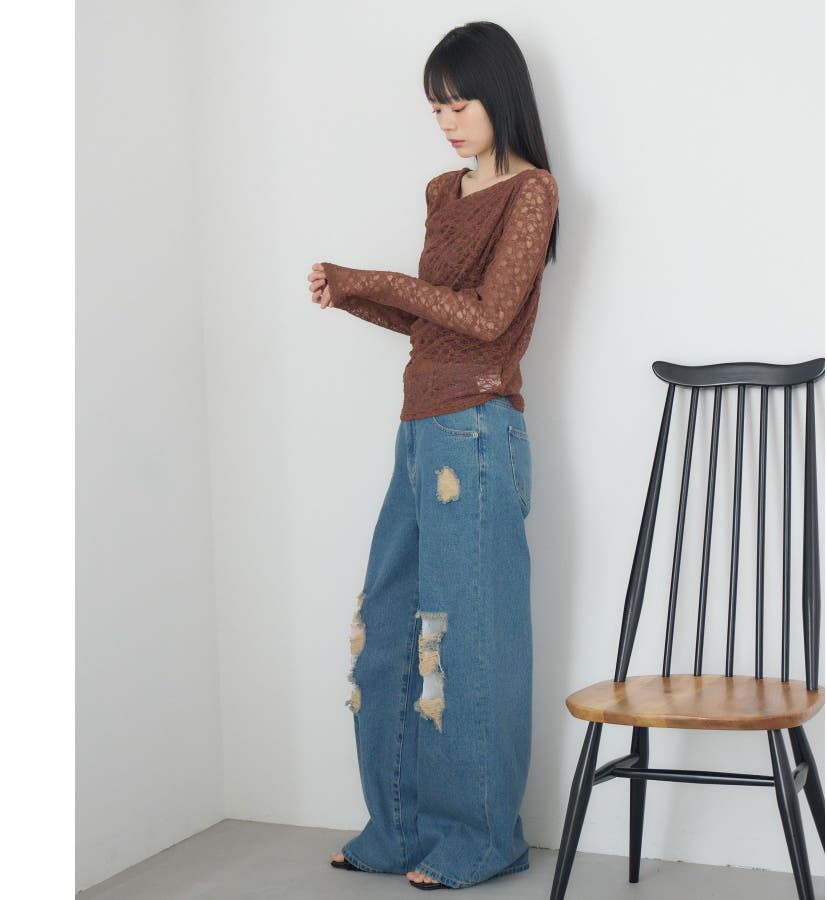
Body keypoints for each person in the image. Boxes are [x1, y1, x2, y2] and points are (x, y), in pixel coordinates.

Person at [308, 20, 559, 890]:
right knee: (387, 627)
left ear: (501, 96)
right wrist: (349, 295)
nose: (448, 123)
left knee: (468, 639)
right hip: (419, 430)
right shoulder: (442, 191)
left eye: (461, 104)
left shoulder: (533, 192)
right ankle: (399, 828)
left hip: (479, 433)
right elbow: (433, 318)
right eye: (436, 109)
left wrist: (372, 279)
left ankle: (483, 838)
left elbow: (486, 318)